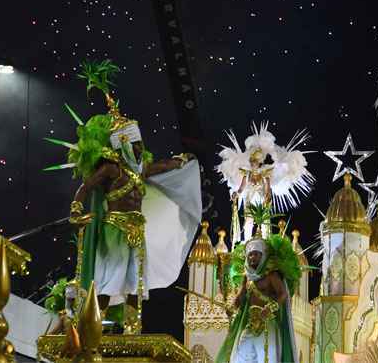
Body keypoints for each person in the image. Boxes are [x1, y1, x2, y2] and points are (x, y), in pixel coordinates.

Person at [47, 59, 202, 334]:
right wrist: (75, 208)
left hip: (136, 230)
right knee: (109, 281)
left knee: (134, 284)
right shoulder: (111, 168)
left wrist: (184, 161)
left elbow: (165, 165)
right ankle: (94, 324)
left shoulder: (141, 169)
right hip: (113, 229)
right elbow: (85, 187)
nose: (141, 148)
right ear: (122, 144)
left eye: (141, 143)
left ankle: (132, 329)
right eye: (135, 143)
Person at [216, 230, 301, 363]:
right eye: (249, 255)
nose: (252, 258)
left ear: (263, 256)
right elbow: (241, 297)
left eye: (255, 254)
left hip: (269, 324)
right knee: (239, 356)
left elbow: (283, 294)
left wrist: (270, 308)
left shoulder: (271, 275)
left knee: (267, 359)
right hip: (250, 324)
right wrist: (232, 307)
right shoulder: (247, 277)